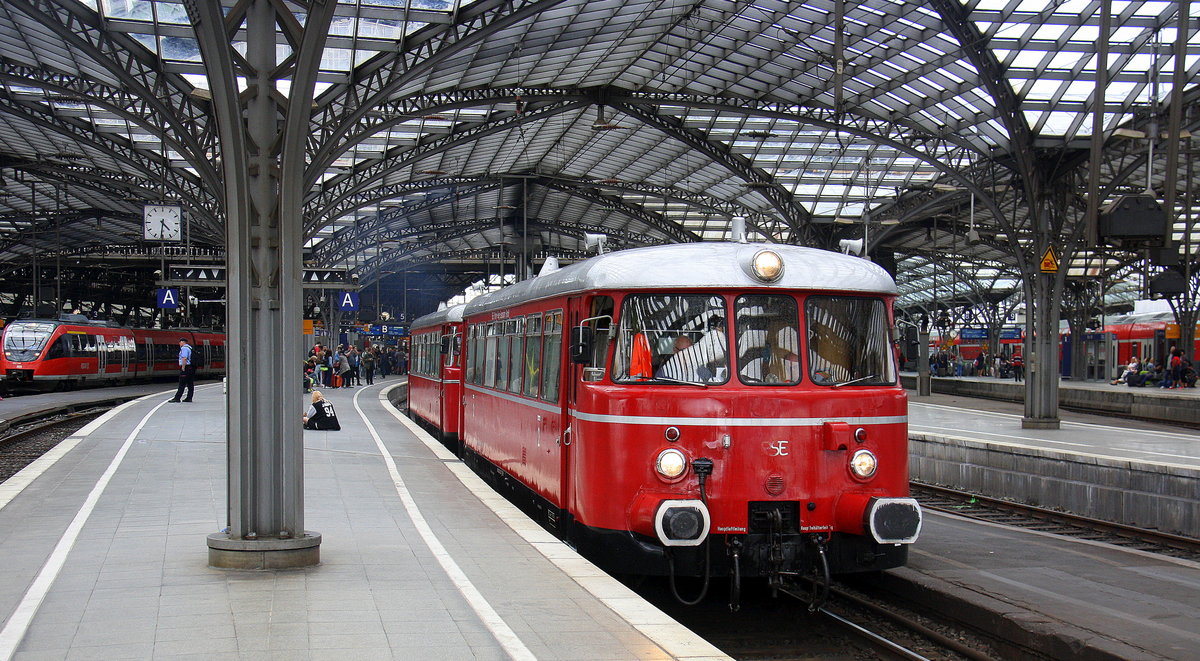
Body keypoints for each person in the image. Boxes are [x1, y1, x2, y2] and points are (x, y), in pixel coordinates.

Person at [168, 338, 195, 402]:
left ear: (183, 342)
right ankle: (189, 398)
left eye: (180, 342)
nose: (179, 344)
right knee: (190, 383)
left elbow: (184, 358)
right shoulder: (190, 348)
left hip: (186, 367)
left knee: (182, 383)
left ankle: (177, 398)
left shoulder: (184, 348)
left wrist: (183, 367)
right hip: (191, 368)